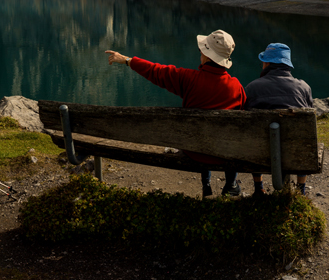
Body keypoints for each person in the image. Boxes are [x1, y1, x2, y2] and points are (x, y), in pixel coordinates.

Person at [106, 30, 247, 198]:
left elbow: (156, 71)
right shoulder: (236, 87)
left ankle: (206, 184)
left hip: (194, 151)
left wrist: (127, 60)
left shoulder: (188, 79)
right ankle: (230, 185)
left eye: (202, 50)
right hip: (223, 152)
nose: (200, 53)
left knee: (201, 137)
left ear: (207, 57)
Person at [243, 42, 313, 195]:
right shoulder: (304, 88)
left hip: (260, 154)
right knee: (302, 138)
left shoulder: (252, 88)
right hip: (297, 154)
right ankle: (301, 190)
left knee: (254, 138)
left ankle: (259, 188)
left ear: (267, 63)